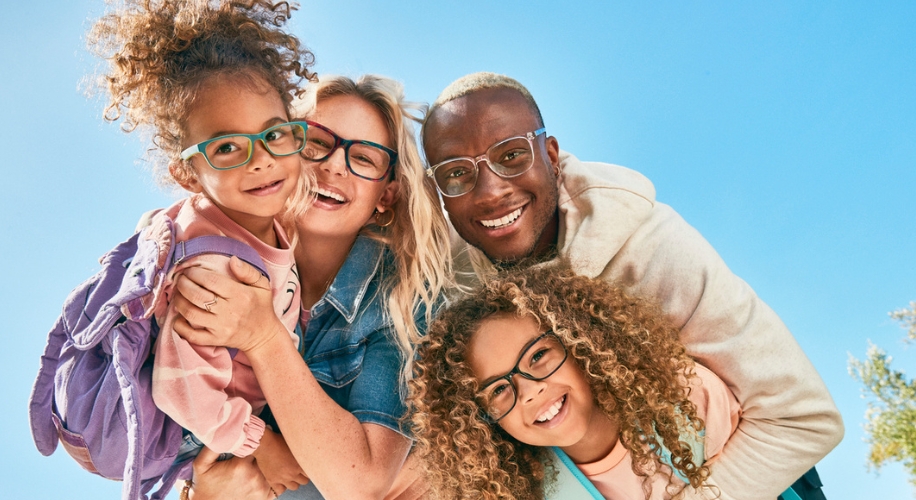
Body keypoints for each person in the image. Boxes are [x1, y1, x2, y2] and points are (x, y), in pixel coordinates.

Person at [420, 72, 842, 500]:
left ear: (550, 154)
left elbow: (801, 417)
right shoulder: (458, 286)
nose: (491, 192)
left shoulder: (654, 248)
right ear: (438, 192)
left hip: (745, 474)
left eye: (511, 155)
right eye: (456, 174)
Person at [168, 73, 450, 499]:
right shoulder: (210, 248)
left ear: (386, 197)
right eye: (318, 142)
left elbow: (361, 481)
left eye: (366, 158)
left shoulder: (405, 302)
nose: (335, 165)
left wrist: (263, 337)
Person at [86, 0, 314, 490]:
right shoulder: (213, 266)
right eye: (227, 147)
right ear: (188, 173)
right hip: (208, 429)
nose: (262, 160)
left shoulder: (257, 222)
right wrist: (262, 445)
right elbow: (180, 389)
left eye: (273, 133)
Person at [411, 265, 744, 499]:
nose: (528, 391)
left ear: (579, 343)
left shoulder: (685, 398)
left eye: (538, 356)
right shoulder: (530, 492)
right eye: (498, 389)